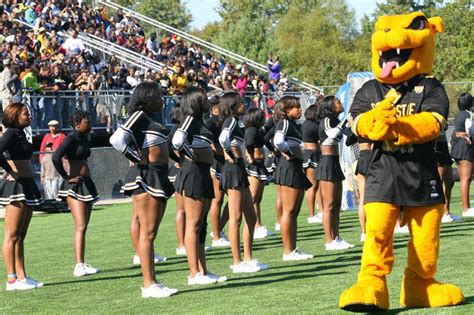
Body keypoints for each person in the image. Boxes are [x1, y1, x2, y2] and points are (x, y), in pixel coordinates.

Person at [110, 82, 177, 298]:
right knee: (147, 234)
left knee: (150, 234)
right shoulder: (139, 115)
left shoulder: (151, 119)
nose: (162, 99)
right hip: (146, 176)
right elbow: (117, 139)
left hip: (156, 174)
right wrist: (136, 158)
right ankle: (149, 285)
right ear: (147, 98)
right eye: (157, 95)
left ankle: (152, 282)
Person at [172, 87, 226, 285]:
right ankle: (194, 273)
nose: (207, 99)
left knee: (201, 225)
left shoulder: (199, 122)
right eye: (203, 96)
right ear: (195, 100)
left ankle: (203, 270)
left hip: (203, 173)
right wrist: (191, 154)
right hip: (193, 173)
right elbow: (176, 141)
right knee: (194, 224)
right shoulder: (189, 120)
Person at [218, 91, 268, 273]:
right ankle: (237, 262)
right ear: (232, 106)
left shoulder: (236, 122)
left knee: (251, 216)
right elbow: (223, 138)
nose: (243, 104)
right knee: (236, 218)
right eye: (239, 102)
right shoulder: (230, 121)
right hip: (232, 170)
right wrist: (230, 154)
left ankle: (248, 258)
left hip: (240, 170)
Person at [0, 102, 44, 290]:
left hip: (27, 184)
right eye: (26, 113)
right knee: (11, 235)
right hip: (15, 186)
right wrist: (10, 170)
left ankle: (22, 276)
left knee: (20, 236)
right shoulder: (10, 133)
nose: (30, 116)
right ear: (16, 116)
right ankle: (11, 280)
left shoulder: (20, 133)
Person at [52, 110, 101, 277]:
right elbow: (56, 157)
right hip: (74, 186)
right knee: (80, 225)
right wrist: (67, 177)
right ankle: (78, 265)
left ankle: (82, 262)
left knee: (84, 226)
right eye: (87, 122)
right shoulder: (71, 138)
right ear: (77, 124)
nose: (90, 124)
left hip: (86, 183)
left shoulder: (84, 138)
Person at [272, 96, 313, 260]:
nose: (300, 110)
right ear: (288, 110)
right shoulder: (285, 123)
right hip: (289, 167)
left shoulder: (292, 125)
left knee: (293, 211)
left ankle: (293, 249)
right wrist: (288, 152)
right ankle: (288, 251)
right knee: (289, 211)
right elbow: (277, 140)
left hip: (293, 167)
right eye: (297, 107)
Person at [316, 96, 354, 250]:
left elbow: (350, 138)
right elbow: (332, 135)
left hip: (335, 163)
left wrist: (352, 125)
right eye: (338, 102)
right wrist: (345, 120)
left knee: (337, 205)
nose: (341, 103)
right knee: (329, 205)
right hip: (326, 163)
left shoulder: (336, 122)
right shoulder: (326, 120)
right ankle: (329, 240)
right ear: (330, 106)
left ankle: (337, 237)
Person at [244, 108, 274, 239]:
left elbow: (264, 141)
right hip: (254, 165)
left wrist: (274, 150)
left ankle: (258, 225)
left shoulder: (257, 130)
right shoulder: (251, 130)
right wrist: (250, 156)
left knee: (258, 199)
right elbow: (249, 143)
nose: (264, 118)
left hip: (260, 164)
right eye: (262, 116)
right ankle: (253, 226)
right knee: (253, 198)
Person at [204, 96, 230, 248]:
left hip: (228, 163)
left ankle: (218, 230)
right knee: (218, 199)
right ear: (214, 109)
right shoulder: (210, 123)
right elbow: (210, 144)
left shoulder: (226, 121)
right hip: (217, 164)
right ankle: (216, 236)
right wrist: (226, 152)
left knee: (234, 199)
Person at [450, 92, 474, 217]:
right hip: (465, 147)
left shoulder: (458, 115)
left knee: (464, 178)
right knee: (466, 178)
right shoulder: (469, 115)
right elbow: (470, 129)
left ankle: (466, 207)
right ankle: (466, 209)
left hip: (457, 147)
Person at [301, 104, 323, 224]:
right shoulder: (312, 125)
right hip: (311, 155)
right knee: (312, 186)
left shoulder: (306, 124)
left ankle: (319, 211)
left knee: (316, 185)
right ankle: (311, 215)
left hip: (312, 154)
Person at [435, 128, 459, 223]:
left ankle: (446, 212)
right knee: (438, 182)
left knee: (449, 182)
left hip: (443, 145)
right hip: (435, 145)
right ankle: (438, 213)